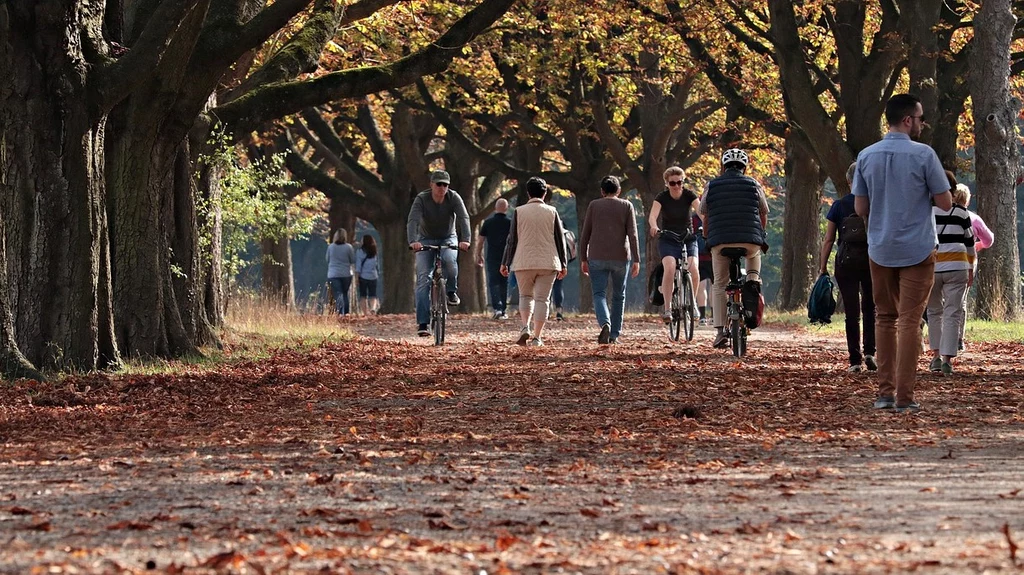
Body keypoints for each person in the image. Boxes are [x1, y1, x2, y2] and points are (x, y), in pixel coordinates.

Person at [852, 93, 953, 412]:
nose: (923, 124)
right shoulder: (925, 155)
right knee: (910, 321)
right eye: (921, 118)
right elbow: (946, 203)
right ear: (908, 120)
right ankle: (905, 397)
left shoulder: (866, 156)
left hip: (880, 247)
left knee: (884, 318)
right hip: (918, 247)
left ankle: (884, 393)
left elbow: (860, 207)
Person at [699, 148, 769, 349]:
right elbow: (763, 213)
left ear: (723, 166)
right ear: (744, 167)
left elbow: (705, 214)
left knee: (719, 284)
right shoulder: (754, 184)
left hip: (720, 241)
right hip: (750, 241)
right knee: (753, 266)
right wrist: (760, 234)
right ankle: (752, 289)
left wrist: (706, 237)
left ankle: (720, 332)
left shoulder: (711, 186)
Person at [818, 162, 876, 373]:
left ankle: (854, 360)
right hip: (871, 260)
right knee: (871, 307)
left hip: (846, 262)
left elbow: (828, 239)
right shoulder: (873, 204)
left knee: (852, 312)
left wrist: (822, 267)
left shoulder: (839, 206)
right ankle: (870, 351)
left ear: (849, 181)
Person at [500, 177, 569, 346]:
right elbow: (560, 240)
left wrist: (505, 262)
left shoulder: (519, 211)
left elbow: (512, 240)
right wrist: (564, 263)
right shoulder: (552, 212)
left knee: (525, 295)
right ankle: (537, 337)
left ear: (528, 193)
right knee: (542, 299)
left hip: (523, 261)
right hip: (548, 261)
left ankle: (525, 327)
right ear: (545, 193)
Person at [407, 169, 471, 337]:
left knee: (450, 261)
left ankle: (451, 291)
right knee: (423, 279)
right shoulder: (421, 199)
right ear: (431, 185)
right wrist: (413, 241)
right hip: (425, 238)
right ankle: (423, 323)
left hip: (448, 237)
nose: (442, 188)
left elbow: (464, 218)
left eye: (445, 185)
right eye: (439, 184)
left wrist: (466, 240)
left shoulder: (454, 197)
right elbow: (413, 220)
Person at [579, 175, 640, 344]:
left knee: (599, 294)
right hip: (621, 256)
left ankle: (605, 322)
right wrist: (636, 259)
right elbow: (632, 235)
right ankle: (614, 334)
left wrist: (583, 258)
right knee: (619, 296)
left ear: (602, 191)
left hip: (597, 256)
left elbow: (585, 235)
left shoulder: (593, 205)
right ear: (619, 190)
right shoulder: (627, 205)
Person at [926, 183, 976, 375]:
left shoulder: (928, 212)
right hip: (957, 266)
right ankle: (948, 360)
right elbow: (970, 243)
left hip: (932, 266)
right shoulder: (962, 213)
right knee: (952, 313)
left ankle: (936, 357)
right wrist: (970, 267)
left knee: (933, 312)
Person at [648, 166, 700, 326]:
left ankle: (693, 304)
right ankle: (668, 308)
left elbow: (701, 211)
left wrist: (706, 224)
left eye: (680, 182)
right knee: (670, 267)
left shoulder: (689, 195)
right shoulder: (662, 197)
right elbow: (653, 215)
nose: (677, 186)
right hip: (668, 238)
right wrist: (654, 226)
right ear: (667, 184)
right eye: (673, 183)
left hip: (687, 237)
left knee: (694, 268)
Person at [475, 199, 512, 320]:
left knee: (493, 282)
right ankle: (504, 309)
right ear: (506, 209)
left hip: (492, 256)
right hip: (506, 257)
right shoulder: (510, 223)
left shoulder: (488, 223)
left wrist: (478, 254)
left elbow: (480, 240)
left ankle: (497, 308)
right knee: (503, 282)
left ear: (495, 208)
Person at [326, 229, 356, 316]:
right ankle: (346, 313)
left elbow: (327, 259)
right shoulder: (349, 247)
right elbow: (352, 260)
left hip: (333, 274)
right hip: (346, 274)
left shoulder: (331, 247)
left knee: (338, 294)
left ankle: (339, 312)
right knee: (344, 294)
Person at [692, 213, 713, 325]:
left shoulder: (694, 218)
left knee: (701, 286)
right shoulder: (714, 214)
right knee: (715, 286)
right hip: (713, 255)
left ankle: (703, 317)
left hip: (699, 256)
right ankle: (715, 316)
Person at [355, 234, 380, 315]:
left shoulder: (360, 251)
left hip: (363, 276)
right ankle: (373, 309)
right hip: (373, 276)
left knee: (363, 295)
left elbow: (358, 266)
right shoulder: (374, 251)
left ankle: (365, 313)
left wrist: (356, 277)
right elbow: (377, 264)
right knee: (373, 295)